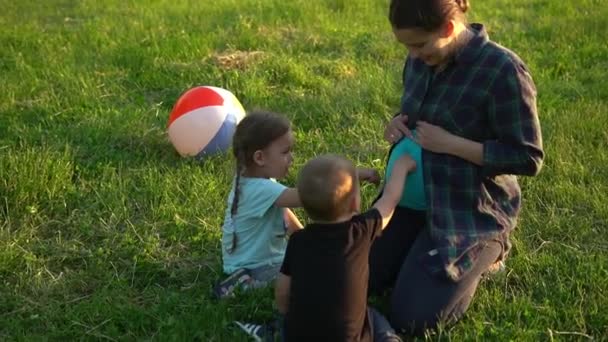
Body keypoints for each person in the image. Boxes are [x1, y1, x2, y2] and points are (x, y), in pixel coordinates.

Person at [368, 0, 544, 335]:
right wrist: (398, 123)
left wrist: (453, 145)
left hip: (467, 207)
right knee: (353, 278)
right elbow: (416, 111)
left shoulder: (502, 70)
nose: (413, 55)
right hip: (407, 202)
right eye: (406, 46)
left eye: (419, 44)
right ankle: (414, 246)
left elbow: (527, 156)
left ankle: (490, 250)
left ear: (448, 29)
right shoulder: (421, 59)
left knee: (413, 318)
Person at [275, 154, 416, 341]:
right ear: (355, 204)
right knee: (373, 316)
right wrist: (402, 166)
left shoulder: (297, 240)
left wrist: (285, 315)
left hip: (298, 336)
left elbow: (283, 292)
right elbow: (389, 200)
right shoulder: (361, 232)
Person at [217, 111, 303, 297]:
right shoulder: (259, 189)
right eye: (285, 152)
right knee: (307, 275)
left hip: (245, 262)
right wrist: (346, 177)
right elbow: (308, 197)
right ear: (260, 158)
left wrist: (303, 239)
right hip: (257, 266)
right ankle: (244, 285)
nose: (291, 158)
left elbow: (284, 213)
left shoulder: (251, 181)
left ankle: (244, 281)